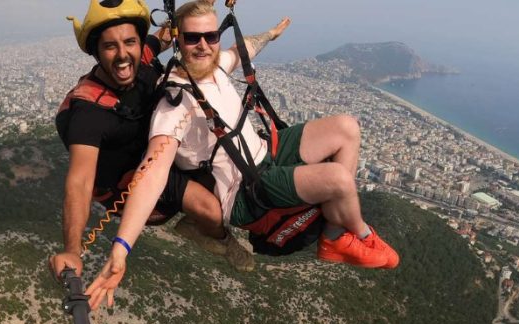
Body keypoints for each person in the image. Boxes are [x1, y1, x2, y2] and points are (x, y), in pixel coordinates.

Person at [85, 0, 399, 308]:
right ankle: (348, 235)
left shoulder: (215, 64)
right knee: (339, 180)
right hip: (244, 191)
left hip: (264, 152)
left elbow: (242, 50)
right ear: (177, 39)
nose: (203, 45)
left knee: (347, 128)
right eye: (193, 38)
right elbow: (152, 174)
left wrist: (269, 35)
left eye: (211, 36)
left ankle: (333, 229)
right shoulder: (175, 102)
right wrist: (121, 247)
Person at [48, 0, 254, 279]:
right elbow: (79, 183)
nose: (123, 55)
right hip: (134, 176)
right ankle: (222, 240)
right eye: (110, 46)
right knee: (211, 210)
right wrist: (72, 248)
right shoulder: (89, 113)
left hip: (161, 149)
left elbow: (163, 38)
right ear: (96, 52)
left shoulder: (140, 58)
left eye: (130, 42)